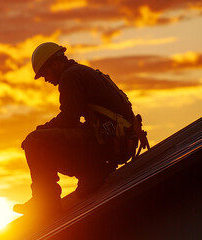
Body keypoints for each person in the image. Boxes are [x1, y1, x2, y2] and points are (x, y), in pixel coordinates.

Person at [13, 42, 148, 216]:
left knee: (34, 141)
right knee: (57, 139)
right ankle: (93, 173)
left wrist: (41, 130)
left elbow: (69, 118)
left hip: (109, 143)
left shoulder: (70, 76)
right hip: (117, 143)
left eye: (45, 73)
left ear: (55, 64)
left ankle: (45, 203)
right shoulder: (82, 72)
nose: (46, 79)